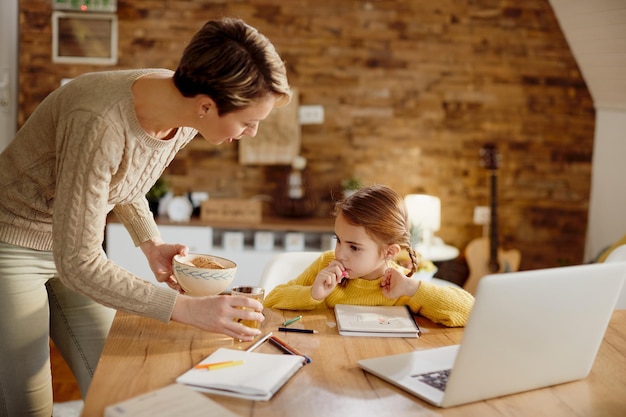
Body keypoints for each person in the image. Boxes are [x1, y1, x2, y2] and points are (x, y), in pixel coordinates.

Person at [0, 17, 291, 417]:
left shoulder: (184, 114)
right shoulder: (98, 122)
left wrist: (149, 242)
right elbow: (80, 262)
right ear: (206, 105)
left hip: (71, 242)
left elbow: (125, 177)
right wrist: (186, 309)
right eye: (248, 122)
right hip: (11, 243)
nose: (252, 133)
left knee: (116, 384)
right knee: (28, 406)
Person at [264, 185, 474, 327]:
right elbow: (271, 300)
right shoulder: (326, 264)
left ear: (389, 252)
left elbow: (471, 312)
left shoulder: (401, 285)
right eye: (338, 240)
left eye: (354, 247)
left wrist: (412, 288)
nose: (340, 254)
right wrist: (314, 293)